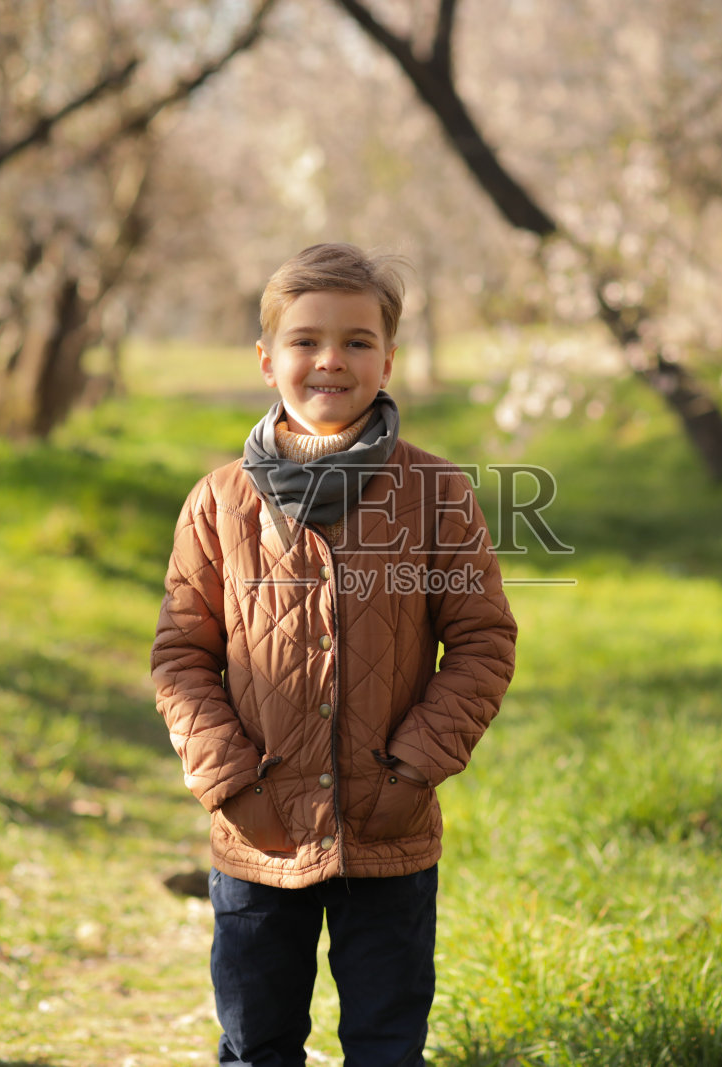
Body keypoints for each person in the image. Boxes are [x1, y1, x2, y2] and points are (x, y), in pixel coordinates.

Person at [150, 242, 518, 1066]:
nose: (330, 360)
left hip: (390, 825)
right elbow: (181, 655)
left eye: (357, 341)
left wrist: (413, 769)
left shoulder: (437, 493)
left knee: (388, 1044)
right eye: (306, 339)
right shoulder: (218, 502)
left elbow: (484, 641)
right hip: (259, 831)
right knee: (256, 1042)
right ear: (267, 358)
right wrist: (230, 782)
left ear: (388, 358)